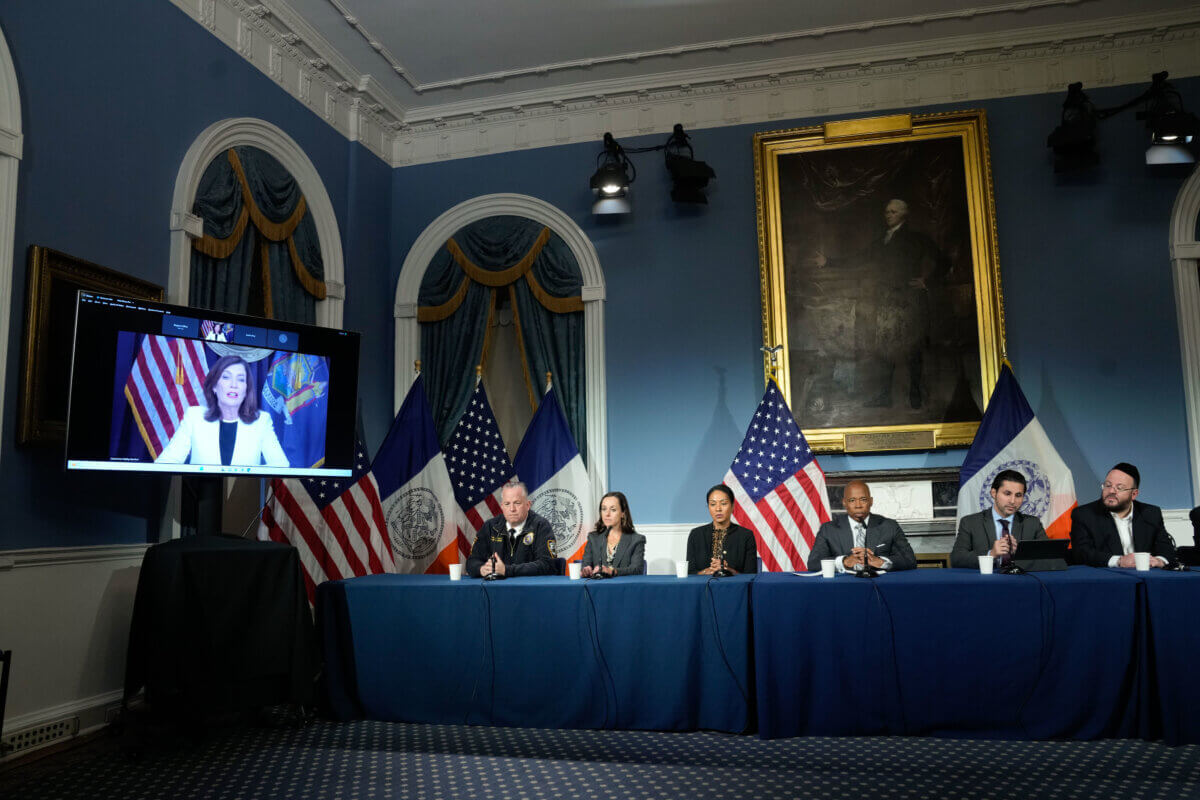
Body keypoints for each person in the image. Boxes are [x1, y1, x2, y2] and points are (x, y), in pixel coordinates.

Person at [813, 198, 944, 409]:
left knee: (913, 347)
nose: (888, 215)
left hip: (909, 300)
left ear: (903, 214)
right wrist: (829, 262)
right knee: (886, 348)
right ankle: (885, 396)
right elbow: (859, 257)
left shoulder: (916, 238)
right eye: (886, 211)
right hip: (888, 301)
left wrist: (926, 281)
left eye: (893, 212)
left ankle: (915, 394)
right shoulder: (883, 240)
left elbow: (943, 261)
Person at [155, 354, 289, 467]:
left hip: (244, 492)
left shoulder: (261, 421)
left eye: (241, 379)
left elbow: (281, 465)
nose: (234, 385)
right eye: (226, 377)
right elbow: (164, 463)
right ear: (214, 386)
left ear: (246, 389)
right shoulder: (194, 416)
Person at [1070, 463, 1177, 568]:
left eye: (1119, 488)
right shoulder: (1084, 514)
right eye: (1108, 485)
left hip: (1147, 577)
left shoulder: (1151, 513)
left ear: (1134, 494)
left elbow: (1166, 549)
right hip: (1107, 577)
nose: (1111, 491)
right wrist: (1119, 561)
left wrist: (1159, 561)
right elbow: (1081, 553)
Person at [808, 480, 916, 573]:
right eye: (852, 500)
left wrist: (881, 562)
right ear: (844, 503)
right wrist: (844, 562)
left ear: (871, 501)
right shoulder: (828, 529)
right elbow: (813, 564)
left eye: (863, 499)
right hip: (843, 587)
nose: (858, 505)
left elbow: (909, 560)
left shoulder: (889, 526)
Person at [950, 469, 1047, 568]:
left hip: (1021, 582)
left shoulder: (1033, 523)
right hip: (986, 583)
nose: (1013, 501)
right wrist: (990, 554)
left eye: (1018, 495)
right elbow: (956, 559)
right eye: (1007, 494)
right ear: (993, 493)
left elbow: (1051, 559)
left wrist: (1020, 554)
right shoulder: (970, 523)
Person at [467, 482, 558, 578]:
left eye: (517, 503)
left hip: (530, 589)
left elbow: (548, 565)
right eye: (507, 504)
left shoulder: (541, 526)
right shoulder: (490, 527)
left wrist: (507, 570)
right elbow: (472, 561)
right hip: (496, 589)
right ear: (502, 506)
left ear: (528, 505)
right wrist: (482, 569)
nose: (512, 509)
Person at [686, 485, 759, 575]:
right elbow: (689, 572)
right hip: (702, 587)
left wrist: (727, 570)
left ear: (732, 506)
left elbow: (751, 574)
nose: (718, 509)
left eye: (723, 503)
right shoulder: (696, 535)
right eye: (713, 504)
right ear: (708, 507)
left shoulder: (746, 535)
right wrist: (707, 571)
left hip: (735, 587)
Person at [580, 491, 646, 577]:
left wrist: (612, 571)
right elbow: (586, 565)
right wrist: (586, 570)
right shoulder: (593, 538)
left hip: (624, 588)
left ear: (623, 513)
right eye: (604, 509)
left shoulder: (636, 540)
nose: (607, 514)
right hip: (598, 588)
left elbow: (637, 570)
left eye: (613, 510)